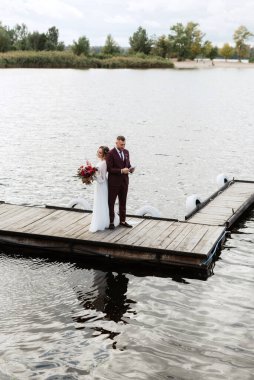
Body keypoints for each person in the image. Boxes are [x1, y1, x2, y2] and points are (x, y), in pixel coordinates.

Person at [106, 136, 134, 230]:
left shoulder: (126, 152)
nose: (123, 146)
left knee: (123, 202)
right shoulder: (110, 153)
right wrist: (121, 171)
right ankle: (111, 222)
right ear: (116, 143)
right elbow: (109, 169)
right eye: (121, 144)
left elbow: (128, 165)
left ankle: (123, 221)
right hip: (114, 182)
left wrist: (131, 169)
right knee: (111, 202)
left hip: (124, 182)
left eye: (124, 144)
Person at [89, 146, 119, 233]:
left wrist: (94, 175)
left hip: (102, 185)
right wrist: (91, 170)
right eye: (98, 152)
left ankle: (104, 221)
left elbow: (101, 179)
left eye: (100, 152)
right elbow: (98, 174)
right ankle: (102, 219)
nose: (98, 153)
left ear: (104, 154)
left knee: (102, 202)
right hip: (99, 186)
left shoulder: (104, 163)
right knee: (99, 202)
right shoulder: (101, 162)